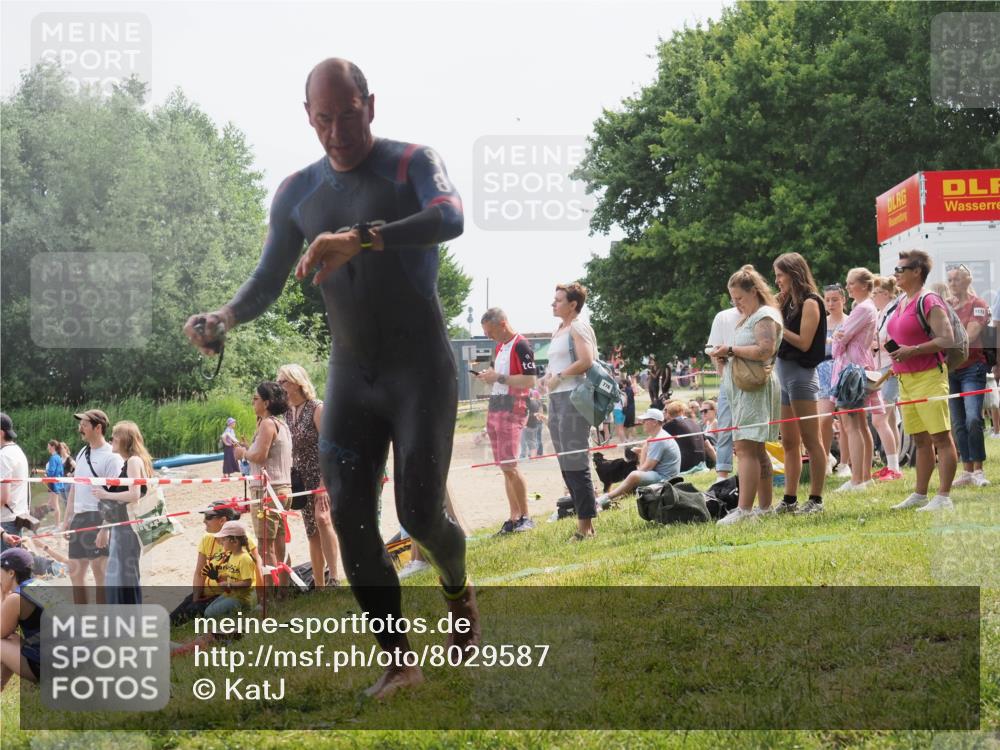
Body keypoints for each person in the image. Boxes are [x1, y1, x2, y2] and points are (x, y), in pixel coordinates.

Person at [184, 58, 476, 699]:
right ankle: (399, 660)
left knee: (420, 513)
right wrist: (224, 318)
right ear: (307, 116)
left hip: (420, 370)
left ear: (370, 106)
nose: (337, 131)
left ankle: (457, 588)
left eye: (348, 115)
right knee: (348, 514)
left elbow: (451, 216)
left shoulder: (410, 162)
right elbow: (267, 277)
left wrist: (361, 239)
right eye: (324, 119)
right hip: (350, 376)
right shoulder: (297, 191)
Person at [710, 265, 784, 525]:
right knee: (755, 447)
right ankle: (763, 508)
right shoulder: (754, 314)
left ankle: (744, 510)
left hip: (754, 390)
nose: (736, 304)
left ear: (754, 292)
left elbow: (765, 349)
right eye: (733, 300)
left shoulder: (765, 315)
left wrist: (730, 349)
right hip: (744, 390)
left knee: (744, 447)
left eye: (739, 298)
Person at [887, 250, 958, 511]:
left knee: (941, 437)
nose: (896, 274)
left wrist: (912, 351)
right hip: (905, 379)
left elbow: (946, 339)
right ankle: (920, 494)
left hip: (929, 376)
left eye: (900, 270)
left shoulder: (929, 300)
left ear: (917, 272)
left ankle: (944, 496)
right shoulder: (901, 302)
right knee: (919, 440)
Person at [542, 283, 601, 540]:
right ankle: (583, 522)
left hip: (573, 399)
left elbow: (587, 361)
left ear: (573, 304)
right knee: (566, 462)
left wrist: (560, 376)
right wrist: (548, 379)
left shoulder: (578, 326)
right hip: (557, 398)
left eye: (558, 300)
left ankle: (585, 528)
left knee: (576, 462)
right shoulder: (560, 329)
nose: (553, 304)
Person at [771, 253, 828, 513]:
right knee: (789, 442)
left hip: (802, 376)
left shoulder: (811, 303)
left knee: (811, 439)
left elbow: (805, 342)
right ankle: (790, 498)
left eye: (780, 275)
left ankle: (815, 499)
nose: (777, 280)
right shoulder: (785, 302)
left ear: (793, 273)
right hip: (783, 376)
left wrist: (779, 327)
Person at [277, 363, 340, 586]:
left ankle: (334, 576)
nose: (279, 385)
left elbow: (330, 446)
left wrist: (324, 482)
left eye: (282, 381)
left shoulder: (317, 407)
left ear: (296, 382)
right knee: (311, 529)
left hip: (322, 473)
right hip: (301, 477)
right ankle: (320, 584)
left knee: (324, 520)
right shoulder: (285, 412)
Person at [476, 308, 538, 534]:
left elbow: (531, 380)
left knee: (511, 465)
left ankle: (526, 516)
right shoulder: (500, 346)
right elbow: (499, 377)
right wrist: (489, 377)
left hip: (513, 407)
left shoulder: (521, 345)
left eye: (490, 332)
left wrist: (498, 377)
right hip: (496, 406)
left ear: (503, 323)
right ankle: (513, 517)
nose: (489, 336)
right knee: (504, 467)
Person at [234, 382, 293, 588]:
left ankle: (270, 596)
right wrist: (248, 450)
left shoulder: (268, 424)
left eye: (256, 398)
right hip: (282, 488)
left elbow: (259, 456)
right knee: (279, 542)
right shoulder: (281, 424)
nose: (252, 402)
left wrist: (243, 453)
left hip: (267, 490)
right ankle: (283, 592)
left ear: (267, 402)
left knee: (265, 545)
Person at [831, 268, 884, 493]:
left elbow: (841, 340)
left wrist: (837, 338)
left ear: (863, 285)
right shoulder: (867, 307)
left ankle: (858, 479)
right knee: (860, 425)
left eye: (851, 283)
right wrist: (839, 336)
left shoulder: (862, 308)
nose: (848, 286)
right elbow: (842, 335)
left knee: (852, 425)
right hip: (860, 364)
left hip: (851, 369)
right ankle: (863, 477)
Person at [63, 410, 123, 605]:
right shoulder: (82, 452)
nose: (80, 428)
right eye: (80, 424)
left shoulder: (112, 457)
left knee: (101, 576)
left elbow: (116, 496)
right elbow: (75, 486)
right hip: (79, 518)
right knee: (76, 575)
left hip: (98, 517)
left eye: (84, 424)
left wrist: (105, 528)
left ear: (98, 428)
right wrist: (67, 518)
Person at [91, 421, 151, 605]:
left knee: (125, 575)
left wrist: (105, 494)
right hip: (123, 526)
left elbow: (134, 495)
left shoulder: (133, 461)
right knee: (122, 574)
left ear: (125, 439)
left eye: (115, 435)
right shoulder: (130, 461)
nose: (112, 439)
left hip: (128, 528)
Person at [945, 265, 991, 488]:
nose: (952, 284)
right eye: (950, 280)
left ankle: (979, 469)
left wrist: (945, 339)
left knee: (973, 418)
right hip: (951, 370)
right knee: (958, 422)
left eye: (956, 279)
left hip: (973, 368)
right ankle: (967, 470)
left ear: (967, 281)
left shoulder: (978, 304)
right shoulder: (946, 307)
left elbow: (971, 335)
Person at [594, 408, 681, 508]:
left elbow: (647, 468)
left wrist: (638, 471)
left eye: (645, 420)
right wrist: (644, 449)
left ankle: (606, 498)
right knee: (635, 476)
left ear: (654, 422)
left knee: (634, 475)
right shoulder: (656, 437)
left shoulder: (658, 440)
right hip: (664, 475)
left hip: (665, 479)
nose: (642, 422)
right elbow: (648, 460)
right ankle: (614, 496)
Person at [871, 276, 903, 481]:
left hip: (891, 368)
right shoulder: (882, 312)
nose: (872, 297)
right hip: (882, 367)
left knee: (882, 416)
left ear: (885, 294)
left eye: (875, 293)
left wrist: (878, 346)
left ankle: (893, 467)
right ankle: (894, 465)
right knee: (890, 418)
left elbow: (895, 342)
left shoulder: (893, 312)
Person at [0, 548, 43, 691]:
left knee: (3, 641)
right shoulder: (41, 585)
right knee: (12, 639)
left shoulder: (16, 599)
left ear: (11, 573)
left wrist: (2, 594)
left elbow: (1, 634)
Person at [818, 284, 850, 476]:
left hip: (843, 369)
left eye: (835, 299)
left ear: (843, 300)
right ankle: (827, 456)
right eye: (827, 299)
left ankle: (845, 462)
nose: (831, 303)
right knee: (823, 419)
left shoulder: (849, 321)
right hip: (822, 371)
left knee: (846, 420)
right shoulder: (822, 323)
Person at [706, 305, 741, 479]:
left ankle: (752, 472)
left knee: (751, 431)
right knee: (725, 427)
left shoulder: (761, 313)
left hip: (755, 380)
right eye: (735, 298)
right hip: (729, 380)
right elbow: (712, 350)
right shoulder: (723, 317)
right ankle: (722, 477)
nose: (737, 302)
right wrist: (723, 374)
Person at [202, 521, 258, 619]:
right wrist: (217, 577)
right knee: (208, 611)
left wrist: (229, 585)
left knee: (209, 614)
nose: (221, 542)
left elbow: (247, 583)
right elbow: (232, 576)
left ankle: (244, 611)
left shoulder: (244, 559)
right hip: (232, 594)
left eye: (224, 539)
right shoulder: (232, 555)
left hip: (243, 599)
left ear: (235, 541)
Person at [0, 414, 30, 553]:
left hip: (5, 521)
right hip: (16, 517)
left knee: (5, 571)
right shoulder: (17, 450)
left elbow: (3, 497)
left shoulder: (3, 456)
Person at [663, 401, 707, 473]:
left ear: (668, 414)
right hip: (701, 462)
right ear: (683, 411)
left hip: (685, 465)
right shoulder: (694, 423)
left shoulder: (669, 426)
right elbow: (707, 445)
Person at [39, 440, 67, 528]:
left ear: (53, 447)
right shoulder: (58, 457)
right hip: (56, 483)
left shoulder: (53, 458)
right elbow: (61, 472)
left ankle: (57, 526)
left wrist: (46, 475)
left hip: (54, 484)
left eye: (48, 446)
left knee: (55, 505)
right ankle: (40, 518)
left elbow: (51, 472)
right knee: (50, 504)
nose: (47, 448)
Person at [519, 388, 546, 459]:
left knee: (524, 441)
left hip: (528, 425)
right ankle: (533, 456)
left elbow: (527, 414)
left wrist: (523, 425)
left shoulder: (527, 403)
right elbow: (540, 413)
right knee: (533, 441)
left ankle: (523, 456)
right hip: (535, 424)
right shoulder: (537, 402)